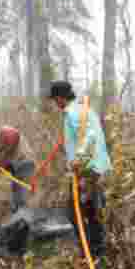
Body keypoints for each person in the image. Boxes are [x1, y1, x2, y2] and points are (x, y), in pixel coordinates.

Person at [48, 80, 112, 259]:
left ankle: (90, 253)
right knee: (92, 212)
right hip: (95, 168)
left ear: (60, 98)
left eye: (55, 100)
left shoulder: (72, 113)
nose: (55, 104)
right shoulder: (85, 110)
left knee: (76, 213)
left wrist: (78, 161)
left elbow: (90, 137)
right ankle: (96, 253)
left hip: (87, 171)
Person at [0, 119, 35, 214]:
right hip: (16, 165)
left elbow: (12, 141)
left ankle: (24, 214)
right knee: (16, 190)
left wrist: (2, 159)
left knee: (21, 191)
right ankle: (18, 213)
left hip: (24, 162)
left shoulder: (6, 131)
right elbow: (3, 157)